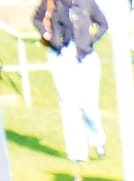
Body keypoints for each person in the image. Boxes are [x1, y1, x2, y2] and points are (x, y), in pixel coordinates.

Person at [33, 0, 108, 163]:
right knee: (68, 104)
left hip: (85, 58)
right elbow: (37, 19)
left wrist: (90, 39)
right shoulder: (52, 2)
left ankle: (97, 140)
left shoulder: (86, 3)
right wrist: (48, 36)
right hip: (60, 57)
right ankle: (77, 153)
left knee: (88, 104)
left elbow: (103, 24)